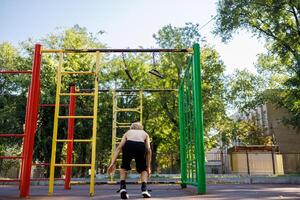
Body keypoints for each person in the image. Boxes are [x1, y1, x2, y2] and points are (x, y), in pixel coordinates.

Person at [108, 122, 152, 199]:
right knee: (143, 169)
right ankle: (144, 189)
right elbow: (149, 150)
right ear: (141, 127)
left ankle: (123, 188)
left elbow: (119, 147)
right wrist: (148, 167)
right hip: (140, 146)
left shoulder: (128, 132)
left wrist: (112, 162)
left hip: (129, 145)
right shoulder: (145, 133)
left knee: (124, 167)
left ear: (131, 127)